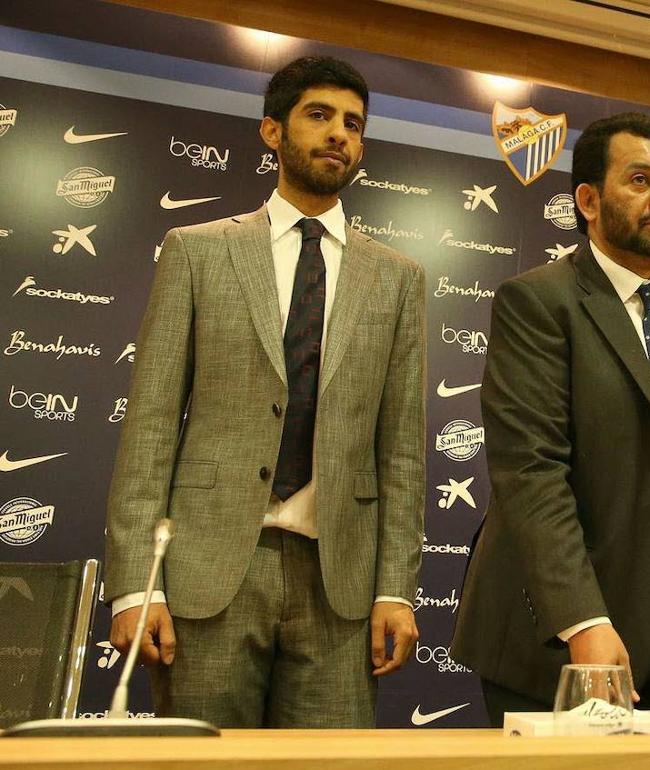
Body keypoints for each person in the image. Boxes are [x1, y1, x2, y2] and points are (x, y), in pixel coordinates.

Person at [105, 56, 425, 728]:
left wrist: (396, 587)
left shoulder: (397, 279)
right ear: (273, 132)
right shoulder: (196, 252)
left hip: (340, 584)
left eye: (353, 123)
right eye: (320, 115)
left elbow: (401, 451)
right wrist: (136, 584)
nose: (340, 133)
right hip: (208, 573)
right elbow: (152, 428)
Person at [451, 112, 650, 725]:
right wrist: (582, 621)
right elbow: (531, 474)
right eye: (640, 180)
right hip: (563, 623)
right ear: (588, 200)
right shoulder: (539, 301)